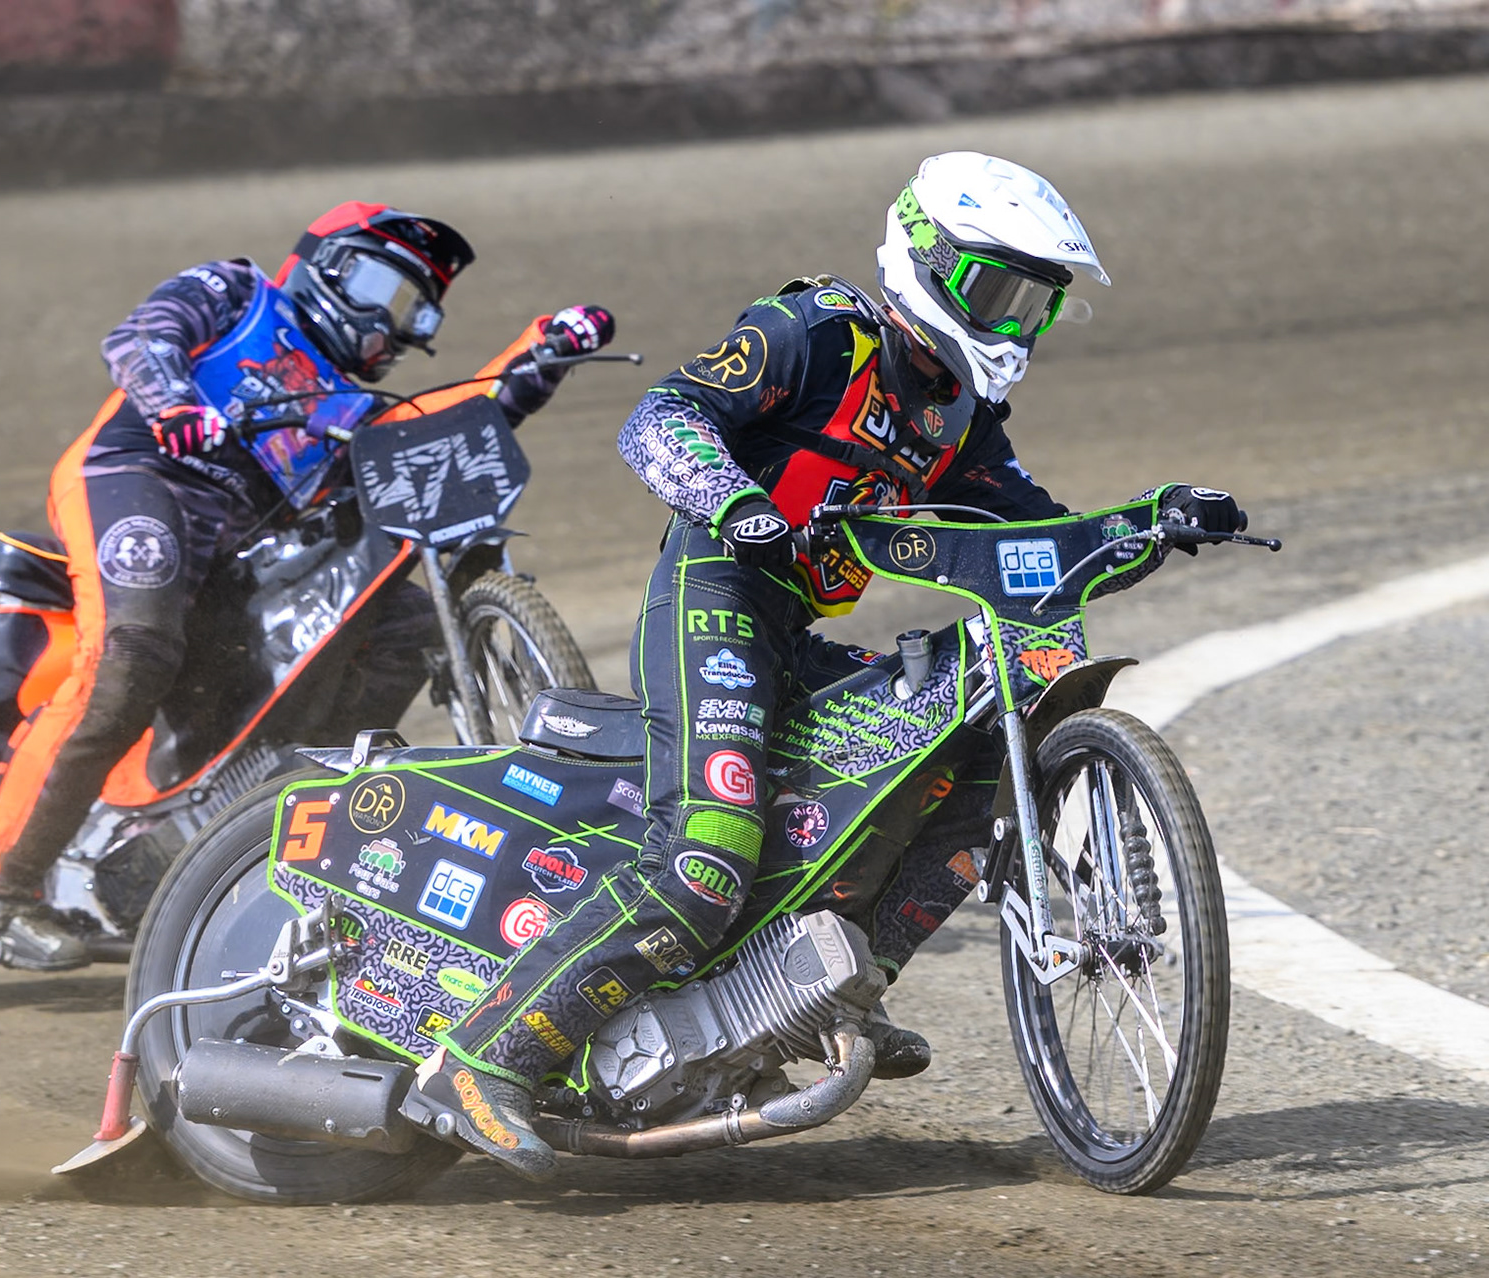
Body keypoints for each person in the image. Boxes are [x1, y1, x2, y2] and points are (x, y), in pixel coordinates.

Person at [422, 152, 1247, 1179]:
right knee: (708, 852)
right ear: (925, 260)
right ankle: (484, 1060)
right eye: (999, 292)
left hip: (798, 637)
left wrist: (1152, 520)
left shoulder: (960, 417)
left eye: (1035, 305)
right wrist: (739, 504)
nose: (1015, 323)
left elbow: (1039, 543)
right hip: (716, 596)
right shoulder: (814, 333)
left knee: (966, 758)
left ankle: (843, 985)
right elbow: (660, 419)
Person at [0, 200, 615, 970]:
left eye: (414, 312)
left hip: (237, 550)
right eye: (380, 289)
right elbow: (140, 339)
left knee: (394, 628)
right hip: (143, 476)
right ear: (326, 266)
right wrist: (177, 405)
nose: (389, 325)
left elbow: (447, 417)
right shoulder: (234, 293)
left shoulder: (358, 404)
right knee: (132, 655)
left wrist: (545, 350)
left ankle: (265, 835)